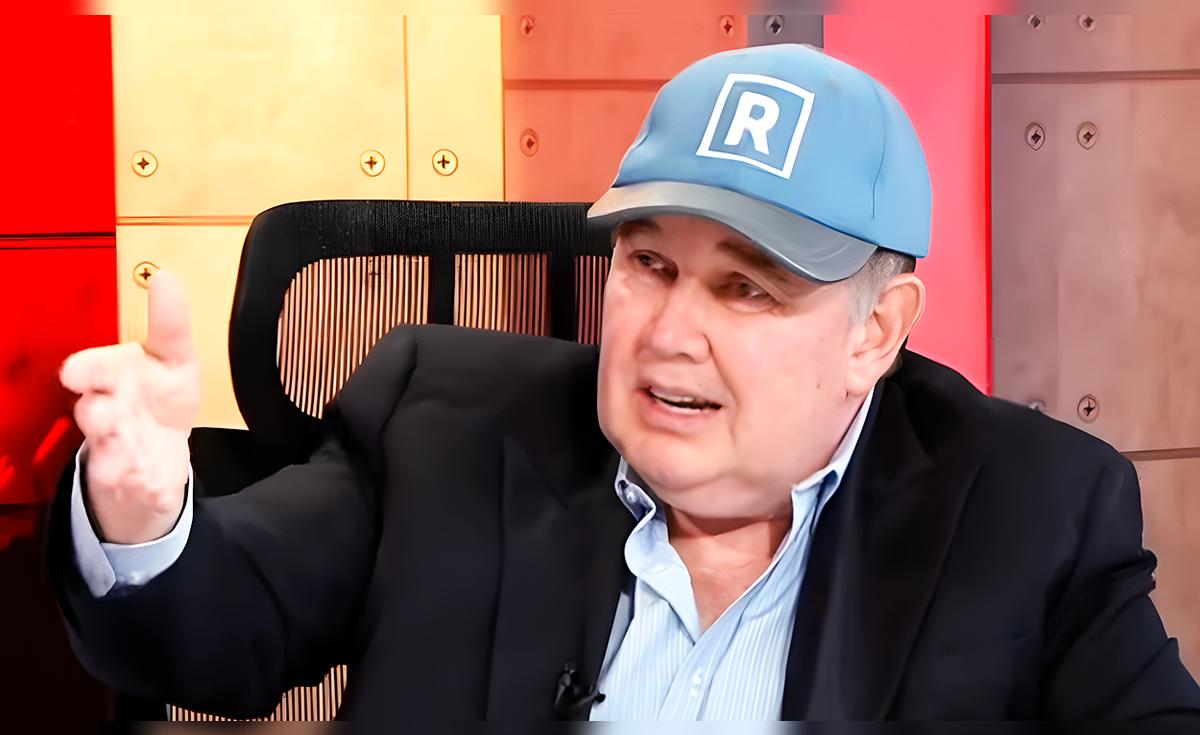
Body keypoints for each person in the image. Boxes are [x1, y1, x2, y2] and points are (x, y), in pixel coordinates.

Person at [49, 43, 1200, 722]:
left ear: (877, 332)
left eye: (745, 289)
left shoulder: (1031, 512)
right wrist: (142, 516)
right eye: (649, 264)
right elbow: (215, 630)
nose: (669, 333)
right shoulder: (443, 422)